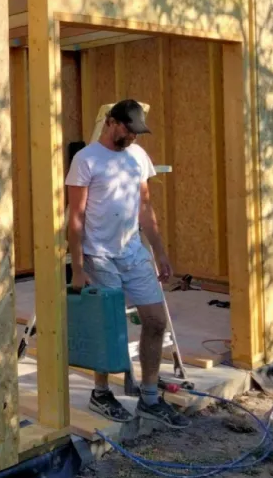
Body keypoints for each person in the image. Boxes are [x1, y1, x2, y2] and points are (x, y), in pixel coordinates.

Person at [65, 99, 189, 429]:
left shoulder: (137, 157)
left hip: (133, 252)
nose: (132, 137)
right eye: (128, 130)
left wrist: (159, 252)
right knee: (108, 326)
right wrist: (78, 267)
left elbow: (145, 207)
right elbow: (76, 217)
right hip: (99, 254)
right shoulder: (86, 159)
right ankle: (101, 392)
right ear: (111, 122)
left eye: (137, 132)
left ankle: (149, 397)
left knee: (155, 321)